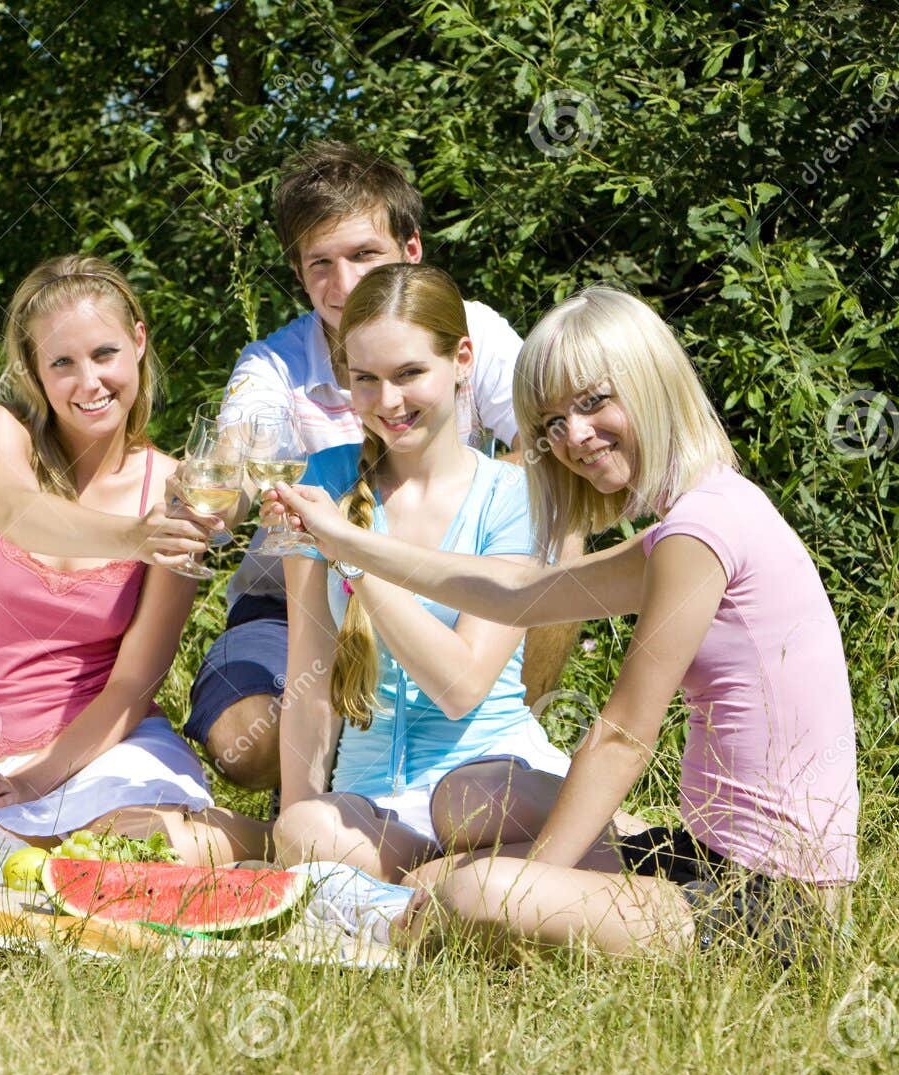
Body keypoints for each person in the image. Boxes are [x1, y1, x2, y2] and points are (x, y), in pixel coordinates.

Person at [273, 286, 859, 957]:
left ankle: (401, 921)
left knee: (477, 894)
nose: (573, 437)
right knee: (442, 881)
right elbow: (522, 590)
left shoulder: (701, 530)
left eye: (592, 402)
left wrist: (529, 884)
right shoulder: (698, 517)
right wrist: (351, 544)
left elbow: (622, 737)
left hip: (775, 903)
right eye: (552, 422)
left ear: (650, 379)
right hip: (706, 861)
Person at [185, 140, 579, 795]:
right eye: (321, 264)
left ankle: (500, 742)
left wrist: (445, 515)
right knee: (241, 744)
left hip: (454, 587)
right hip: (292, 602)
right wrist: (211, 493)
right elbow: (234, 464)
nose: (346, 286)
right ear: (298, 272)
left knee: (558, 522)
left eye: (365, 255)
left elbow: (554, 446)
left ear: (411, 249)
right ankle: (317, 798)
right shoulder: (273, 367)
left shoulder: (464, 330)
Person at [0, 254, 268, 865]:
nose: (89, 382)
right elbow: (17, 511)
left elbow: (136, 682)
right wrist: (135, 537)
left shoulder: (173, 488)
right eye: (62, 362)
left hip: (106, 749)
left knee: (132, 849)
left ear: (138, 342)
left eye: (105, 353)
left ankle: (282, 839)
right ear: (35, 371)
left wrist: (40, 778)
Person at [273, 263, 586, 882]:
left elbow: (461, 685)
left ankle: (463, 873)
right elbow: (309, 681)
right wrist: (290, 825)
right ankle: (446, 880)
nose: (388, 402)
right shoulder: (324, 482)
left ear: (462, 358)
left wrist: (356, 555)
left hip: (488, 783)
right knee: (304, 831)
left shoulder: (512, 494)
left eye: (410, 373)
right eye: (365, 380)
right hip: (375, 800)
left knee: (466, 802)